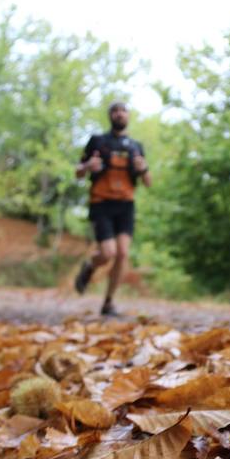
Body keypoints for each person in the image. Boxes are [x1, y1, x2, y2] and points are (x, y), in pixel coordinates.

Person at [73, 101, 152, 316]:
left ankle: (108, 303)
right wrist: (88, 166)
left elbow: (148, 181)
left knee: (123, 253)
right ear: (110, 116)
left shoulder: (136, 147)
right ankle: (90, 266)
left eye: (123, 110)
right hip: (101, 203)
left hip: (126, 205)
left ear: (128, 115)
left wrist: (143, 168)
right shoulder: (98, 142)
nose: (119, 114)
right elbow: (78, 172)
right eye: (115, 111)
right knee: (108, 253)